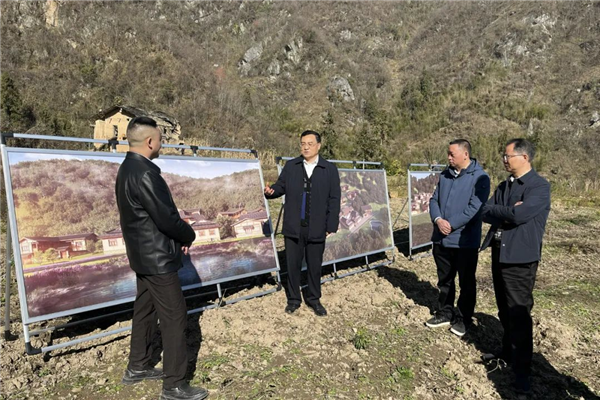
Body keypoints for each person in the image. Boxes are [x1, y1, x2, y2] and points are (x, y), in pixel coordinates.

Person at [116, 116, 208, 400]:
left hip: (142, 256)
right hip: (157, 259)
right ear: (150, 142)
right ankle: (174, 385)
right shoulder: (146, 174)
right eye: (160, 139)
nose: (162, 143)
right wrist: (188, 235)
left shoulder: (126, 169)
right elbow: (167, 219)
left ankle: (138, 366)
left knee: (144, 311)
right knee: (175, 318)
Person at [480, 138, 551, 396]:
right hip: (500, 252)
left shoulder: (539, 187)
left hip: (520, 258)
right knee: (503, 308)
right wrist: (508, 210)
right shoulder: (504, 185)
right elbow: (485, 211)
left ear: (524, 157)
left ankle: (522, 374)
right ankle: (507, 352)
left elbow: (520, 215)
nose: (504, 160)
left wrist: (506, 212)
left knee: (519, 314)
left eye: (507, 156)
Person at [264, 130, 341, 316]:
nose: (306, 147)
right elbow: (280, 186)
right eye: (303, 144)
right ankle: (293, 299)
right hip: (294, 226)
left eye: (310, 144)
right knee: (292, 266)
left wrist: (331, 225)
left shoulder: (329, 169)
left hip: (317, 227)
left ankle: (314, 299)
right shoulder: (292, 166)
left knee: (315, 266)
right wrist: (271, 192)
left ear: (318, 146)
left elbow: (334, 198)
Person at [427, 139, 490, 336]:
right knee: (444, 280)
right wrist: (438, 220)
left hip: (464, 241)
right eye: (448, 153)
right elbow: (434, 200)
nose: (448, 157)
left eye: (452, 154)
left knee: (466, 282)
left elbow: (474, 208)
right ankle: (445, 312)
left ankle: (463, 318)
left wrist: (451, 224)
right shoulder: (445, 175)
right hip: (441, 238)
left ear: (465, 154)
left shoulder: (480, 178)